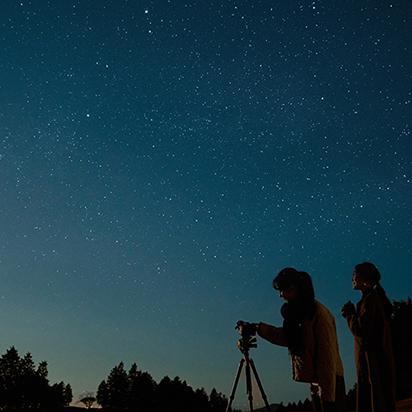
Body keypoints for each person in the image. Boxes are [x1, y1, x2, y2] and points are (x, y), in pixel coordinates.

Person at [257, 267, 346, 412]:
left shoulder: (318, 314)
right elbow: (288, 337)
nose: (280, 295)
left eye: (282, 290)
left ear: (293, 288)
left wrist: (328, 398)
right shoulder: (301, 313)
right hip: (318, 381)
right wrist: (258, 328)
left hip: (330, 382)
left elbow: (327, 356)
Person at [341, 262, 396, 412]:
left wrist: (349, 314)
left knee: (375, 399)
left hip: (371, 363)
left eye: (354, 274)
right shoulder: (373, 299)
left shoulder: (370, 301)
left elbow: (362, 331)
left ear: (363, 278)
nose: (352, 278)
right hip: (375, 362)